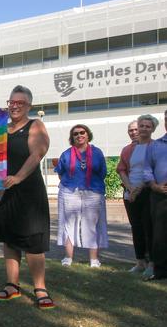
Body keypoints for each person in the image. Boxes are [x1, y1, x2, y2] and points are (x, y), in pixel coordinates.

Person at [0, 85, 54, 309]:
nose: (15, 106)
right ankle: (12, 285)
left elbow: (38, 154)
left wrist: (18, 177)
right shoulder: (1, 129)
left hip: (27, 193)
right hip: (2, 192)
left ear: (29, 106)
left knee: (32, 242)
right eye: (11, 102)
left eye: (20, 103)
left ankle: (40, 289)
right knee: (9, 238)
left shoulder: (36, 125)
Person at [54, 124, 108, 268]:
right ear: (72, 138)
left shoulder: (97, 153)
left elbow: (102, 172)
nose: (79, 135)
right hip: (70, 191)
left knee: (92, 225)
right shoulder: (66, 154)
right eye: (75, 134)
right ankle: (68, 258)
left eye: (82, 132)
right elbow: (60, 171)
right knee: (68, 225)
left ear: (88, 134)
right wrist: (70, 182)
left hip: (93, 192)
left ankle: (94, 259)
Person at [117, 114, 158, 278]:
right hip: (131, 193)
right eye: (141, 126)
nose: (143, 129)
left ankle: (153, 263)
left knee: (150, 228)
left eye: (147, 126)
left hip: (148, 192)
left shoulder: (158, 147)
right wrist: (129, 188)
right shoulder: (128, 149)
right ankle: (140, 261)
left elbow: (157, 170)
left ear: (153, 129)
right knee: (136, 228)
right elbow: (122, 169)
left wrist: (139, 188)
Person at [144, 110, 167, 281]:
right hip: (159, 194)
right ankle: (160, 272)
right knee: (159, 235)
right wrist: (154, 185)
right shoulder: (155, 145)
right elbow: (146, 169)